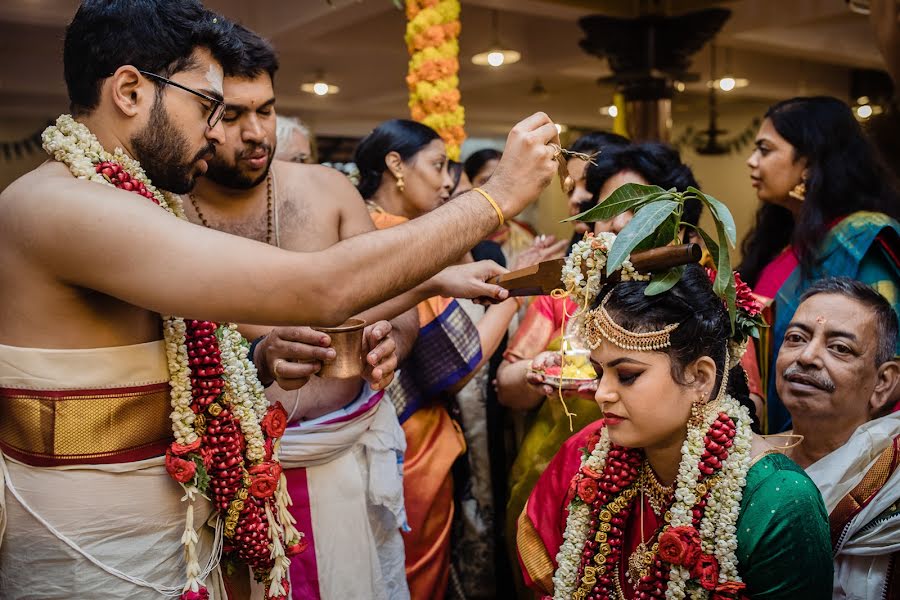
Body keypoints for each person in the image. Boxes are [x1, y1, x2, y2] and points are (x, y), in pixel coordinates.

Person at [0, 1, 560, 597]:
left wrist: (260, 362)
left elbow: (147, 368)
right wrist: (497, 196)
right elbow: (319, 288)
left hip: (166, 547)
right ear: (132, 91)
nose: (216, 132)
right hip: (94, 564)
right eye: (207, 106)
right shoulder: (63, 207)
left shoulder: (127, 200)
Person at [186, 26, 420, 600]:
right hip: (222, 476)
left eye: (266, 110)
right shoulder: (164, 211)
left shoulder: (329, 192)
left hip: (340, 456)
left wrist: (395, 341)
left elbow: (397, 306)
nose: (257, 132)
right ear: (195, 117)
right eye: (233, 115)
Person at [516, 262, 833, 599]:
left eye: (626, 375)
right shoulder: (591, 452)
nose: (601, 394)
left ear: (700, 378)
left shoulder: (777, 501)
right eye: (598, 373)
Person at [355, 119, 562, 600]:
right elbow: (451, 362)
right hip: (409, 439)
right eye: (437, 164)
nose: (448, 180)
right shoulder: (399, 235)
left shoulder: (369, 224)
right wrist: (514, 292)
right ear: (394, 166)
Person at [496, 140, 706, 598]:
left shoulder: (710, 308)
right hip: (562, 481)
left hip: (689, 492)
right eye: (607, 215)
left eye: (635, 215)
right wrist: (538, 368)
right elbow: (507, 386)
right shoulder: (570, 294)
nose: (617, 230)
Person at [739, 96, 900, 433]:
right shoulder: (782, 241)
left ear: (810, 162)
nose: (751, 162)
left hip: (841, 446)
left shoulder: (861, 239)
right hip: (770, 436)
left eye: (765, 150)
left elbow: (886, 352)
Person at [776, 277, 900, 598]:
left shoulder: (891, 485)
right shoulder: (745, 456)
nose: (807, 356)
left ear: (884, 382)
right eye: (795, 338)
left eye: (840, 348)